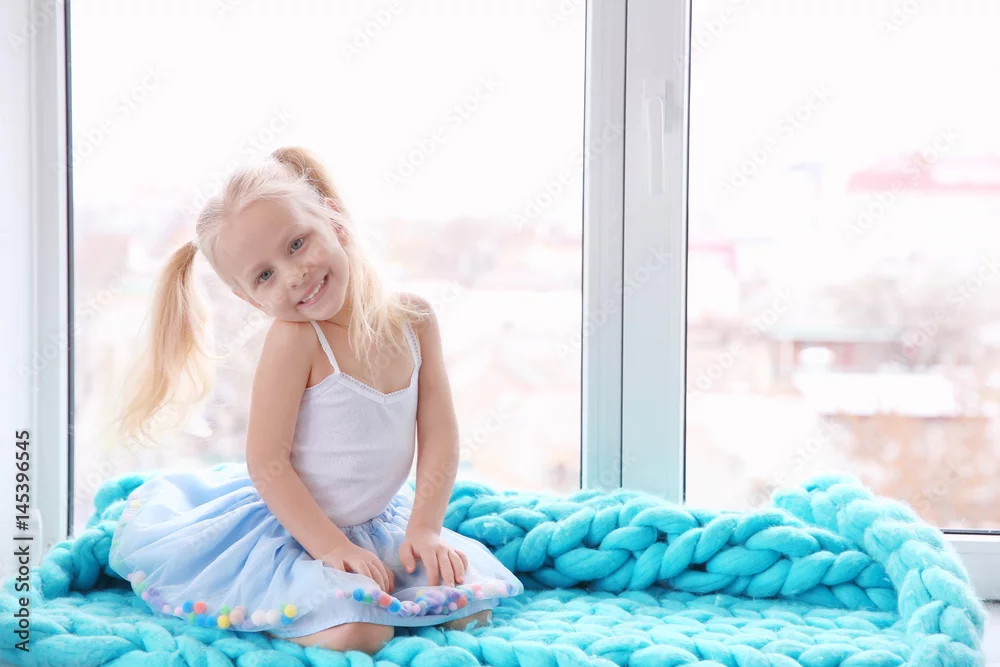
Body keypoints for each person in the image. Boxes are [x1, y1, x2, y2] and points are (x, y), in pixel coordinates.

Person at [108, 146, 524, 655]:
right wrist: (330, 548)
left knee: (469, 604)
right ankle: (276, 609)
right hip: (297, 530)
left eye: (297, 244)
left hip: (375, 526)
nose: (293, 274)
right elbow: (267, 463)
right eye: (264, 275)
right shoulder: (296, 339)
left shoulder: (415, 320)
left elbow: (439, 434)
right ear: (248, 298)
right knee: (360, 632)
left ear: (333, 219)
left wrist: (425, 529)